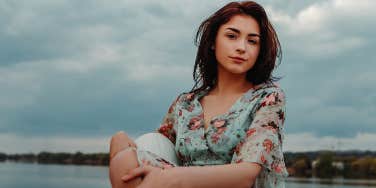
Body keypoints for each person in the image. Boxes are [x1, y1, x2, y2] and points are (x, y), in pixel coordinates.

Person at [109, 1, 288, 188]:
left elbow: (246, 175)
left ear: (259, 51)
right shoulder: (185, 104)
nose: (242, 47)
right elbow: (155, 146)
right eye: (232, 36)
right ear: (212, 42)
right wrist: (120, 143)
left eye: (252, 41)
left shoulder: (267, 98)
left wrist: (172, 178)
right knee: (125, 160)